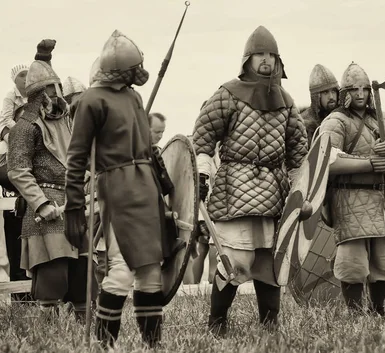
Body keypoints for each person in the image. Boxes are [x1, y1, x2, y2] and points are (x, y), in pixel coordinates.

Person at [192, 25, 308, 336]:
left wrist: (301, 190)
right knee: (235, 261)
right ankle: (217, 325)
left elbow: (298, 151)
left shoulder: (286, 100)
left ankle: (270, 327)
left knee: (270, 264)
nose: (266, 60)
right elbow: (203, 137)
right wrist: (202, 174)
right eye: (260, 54)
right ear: (247, 59)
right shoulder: (227, 94)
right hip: (235, 185)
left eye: (271, 54)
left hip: (274, 189)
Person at [65, 30, 174, 348]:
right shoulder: (91, 100)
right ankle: (104, 343)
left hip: (145, 187)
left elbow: (148, 150)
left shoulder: (134, 97)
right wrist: (74, 204)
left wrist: (165, 186)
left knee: (151, 271)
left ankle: (152, 344)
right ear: (121, 69)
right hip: (118, 188)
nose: (137, 74)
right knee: (122, 271)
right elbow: (76, 157)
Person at [318, 62, 385, 316]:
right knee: (353, 264)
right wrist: (370, 163)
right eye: (354, 89)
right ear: (345, 92)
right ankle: (355, 312)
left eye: (365, 88)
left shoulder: (382, 119)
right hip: (350, 197)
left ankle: (377, 308)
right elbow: (326, 161)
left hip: (384, 197)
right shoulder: (335, 121)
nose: (361, 94)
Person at [7, 39, 96, 320]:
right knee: (53, 274)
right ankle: (48, 328)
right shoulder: (25, 126)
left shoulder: (66, 122)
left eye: (56, 88)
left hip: (72, 203)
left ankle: (87, 326)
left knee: (83, 273)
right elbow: (18, 169)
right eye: (49, 89)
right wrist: (42, 204)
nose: (55, 94)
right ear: (37, 93)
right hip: (46, 208)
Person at [0, 63, 31, 302]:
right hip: (12, 132)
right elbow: (5, 120)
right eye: (21, 75)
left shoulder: (35, 95)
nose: (25, 79)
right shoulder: (11, 96)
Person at [300, 64, 339, 146]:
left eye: (333, 91)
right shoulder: (305, 124)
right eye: (325, 92)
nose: (331, 96)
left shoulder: (342, 117)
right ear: (316, 96)